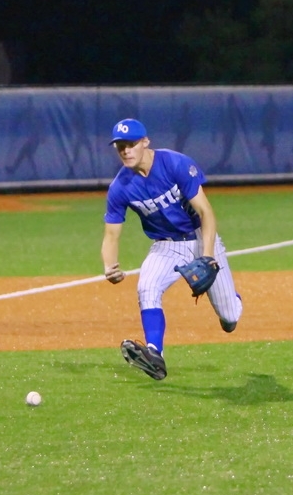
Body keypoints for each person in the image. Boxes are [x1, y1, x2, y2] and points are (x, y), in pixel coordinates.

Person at [102, 118, 243, 380]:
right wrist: (109, 266)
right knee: (147, 287)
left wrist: (208, 255)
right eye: (120, 146)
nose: (126, 151)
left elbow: (206, 212)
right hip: (166, 245)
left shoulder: (174, 163)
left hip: (201, 237)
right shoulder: (120, 187)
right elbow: (111, 234)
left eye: (131, 144)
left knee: (229, 317)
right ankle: (155, 354)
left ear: (145, 142)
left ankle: (232, 305)